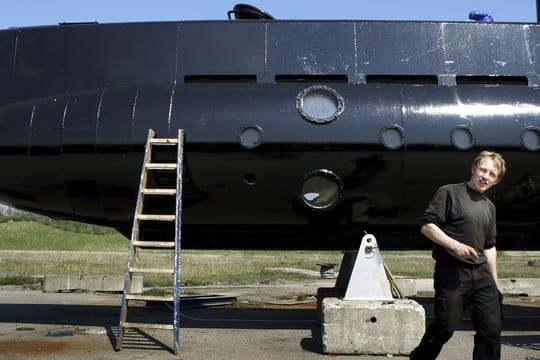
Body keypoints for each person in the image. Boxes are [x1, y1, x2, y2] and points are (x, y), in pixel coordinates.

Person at [410, 151, 506, 360]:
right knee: (445, 327)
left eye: (492, 174)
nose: (485, 176)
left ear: (496, 180)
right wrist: (454, 246)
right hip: (452, 272)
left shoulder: (489, 207)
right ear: (474, 168)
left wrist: (495, 283)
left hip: (482, 276)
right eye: (483, 170)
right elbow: (427, 227)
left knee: (491, 332)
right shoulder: (449, 193)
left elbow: (489, 247)